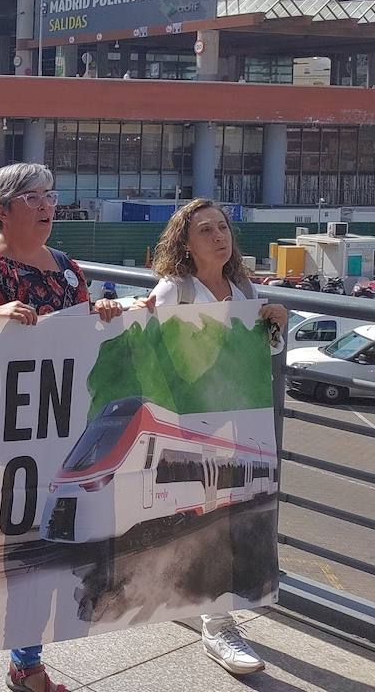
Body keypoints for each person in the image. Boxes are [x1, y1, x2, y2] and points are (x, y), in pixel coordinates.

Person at [0, 162, 124, 692]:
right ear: (2, 209)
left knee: (34, 541)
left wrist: (101, 313)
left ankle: (26, 661)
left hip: (54, 435)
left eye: (49, 195)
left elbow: (82, 346)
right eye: (32, 197)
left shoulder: (67, 269)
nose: (46, 206)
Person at [146, 198, 287, 677]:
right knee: (210, 519)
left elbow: (259, 356)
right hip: (189, 424)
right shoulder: (175, 289)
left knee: (225, 516)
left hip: (233, 422)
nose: (218, 237)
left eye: (222, 227)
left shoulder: (243, 287)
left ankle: (211, 611)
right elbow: (155, 351)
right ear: (184, 242)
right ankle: (218, 624)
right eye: (205, 230)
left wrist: (275, 326)